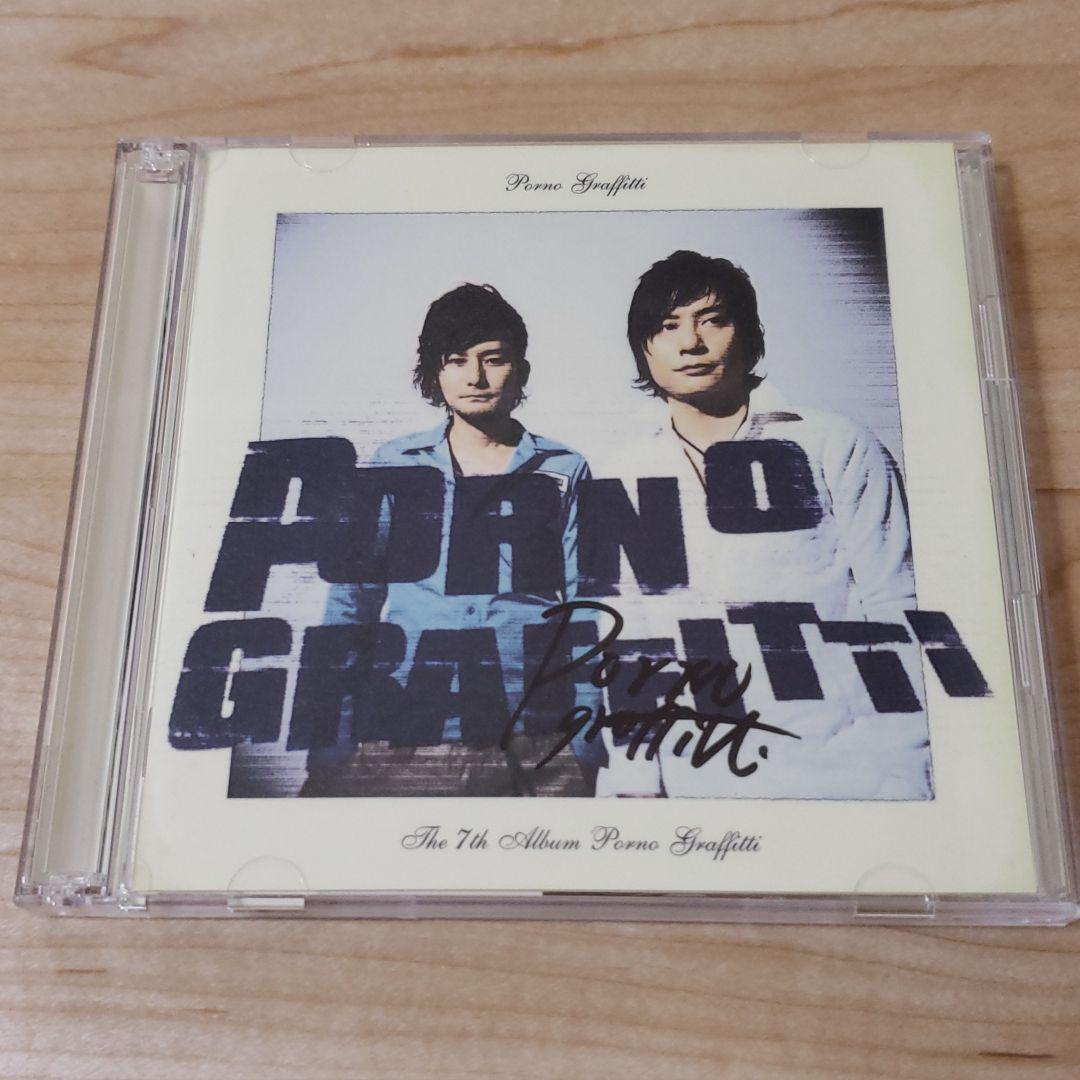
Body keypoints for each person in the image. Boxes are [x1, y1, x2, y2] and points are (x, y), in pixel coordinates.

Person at [592, 250, 931, 799]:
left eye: (712, 320)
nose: (691, 342)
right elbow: (630, 639)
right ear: (643, 348)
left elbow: (896, 607)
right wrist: (634, 782)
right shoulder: (624, 473)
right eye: (668, 326)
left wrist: (907, 770)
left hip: (845, 775)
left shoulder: (833, 444)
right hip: (697, 783)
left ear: (749, 333)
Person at [304, 283, 595, 796]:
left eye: (493, 359)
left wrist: (586, 746)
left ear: (521, 369)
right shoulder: (394, 464)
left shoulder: (564, 468)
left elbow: (587, 610)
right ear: (434, 373)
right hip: (409, 728)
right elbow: (350, 606)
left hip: (536, 735)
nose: (476, 377)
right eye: (456, 360)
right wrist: (330, 736)